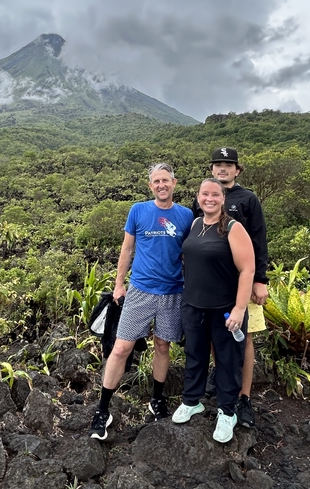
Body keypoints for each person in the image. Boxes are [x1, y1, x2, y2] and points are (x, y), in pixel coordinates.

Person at [89, 163, 194, 440]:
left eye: (166, 180)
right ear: (151, 186)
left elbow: (190, 255)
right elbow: (127, 248)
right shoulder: (138, 210)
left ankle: (156, 399)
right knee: (121, 347)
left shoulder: (185, 215)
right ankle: (103, 409)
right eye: (156, 181)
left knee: (162, 345)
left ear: (174, 183)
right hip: (141, 290)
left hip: (173, 291)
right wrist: (118, 284)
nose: (161, 185)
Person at [172, 178, 255, 443]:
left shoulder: (233, 228)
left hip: (225, 309)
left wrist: (240, 308)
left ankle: (227, 411)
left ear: (223, 199)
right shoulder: (196, 224)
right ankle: (192, 400)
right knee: (194, 355)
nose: (209, 198)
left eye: (215, 194)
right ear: (198, 198)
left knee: (228, 361)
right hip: (194, 305)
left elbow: (247, 270)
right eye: (204, 194)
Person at [194, 147, 269, 428]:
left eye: (228, 164)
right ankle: (221, 376)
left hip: (242, 282)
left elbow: (259, 240)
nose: (222, 168)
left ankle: (243, 397)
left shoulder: (248, 199)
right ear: (212, 169)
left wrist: (260, 280)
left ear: (237, 170)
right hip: (212, 284)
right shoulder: (203, 198)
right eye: (218, 164)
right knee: (216, 335)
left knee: (244, 337)